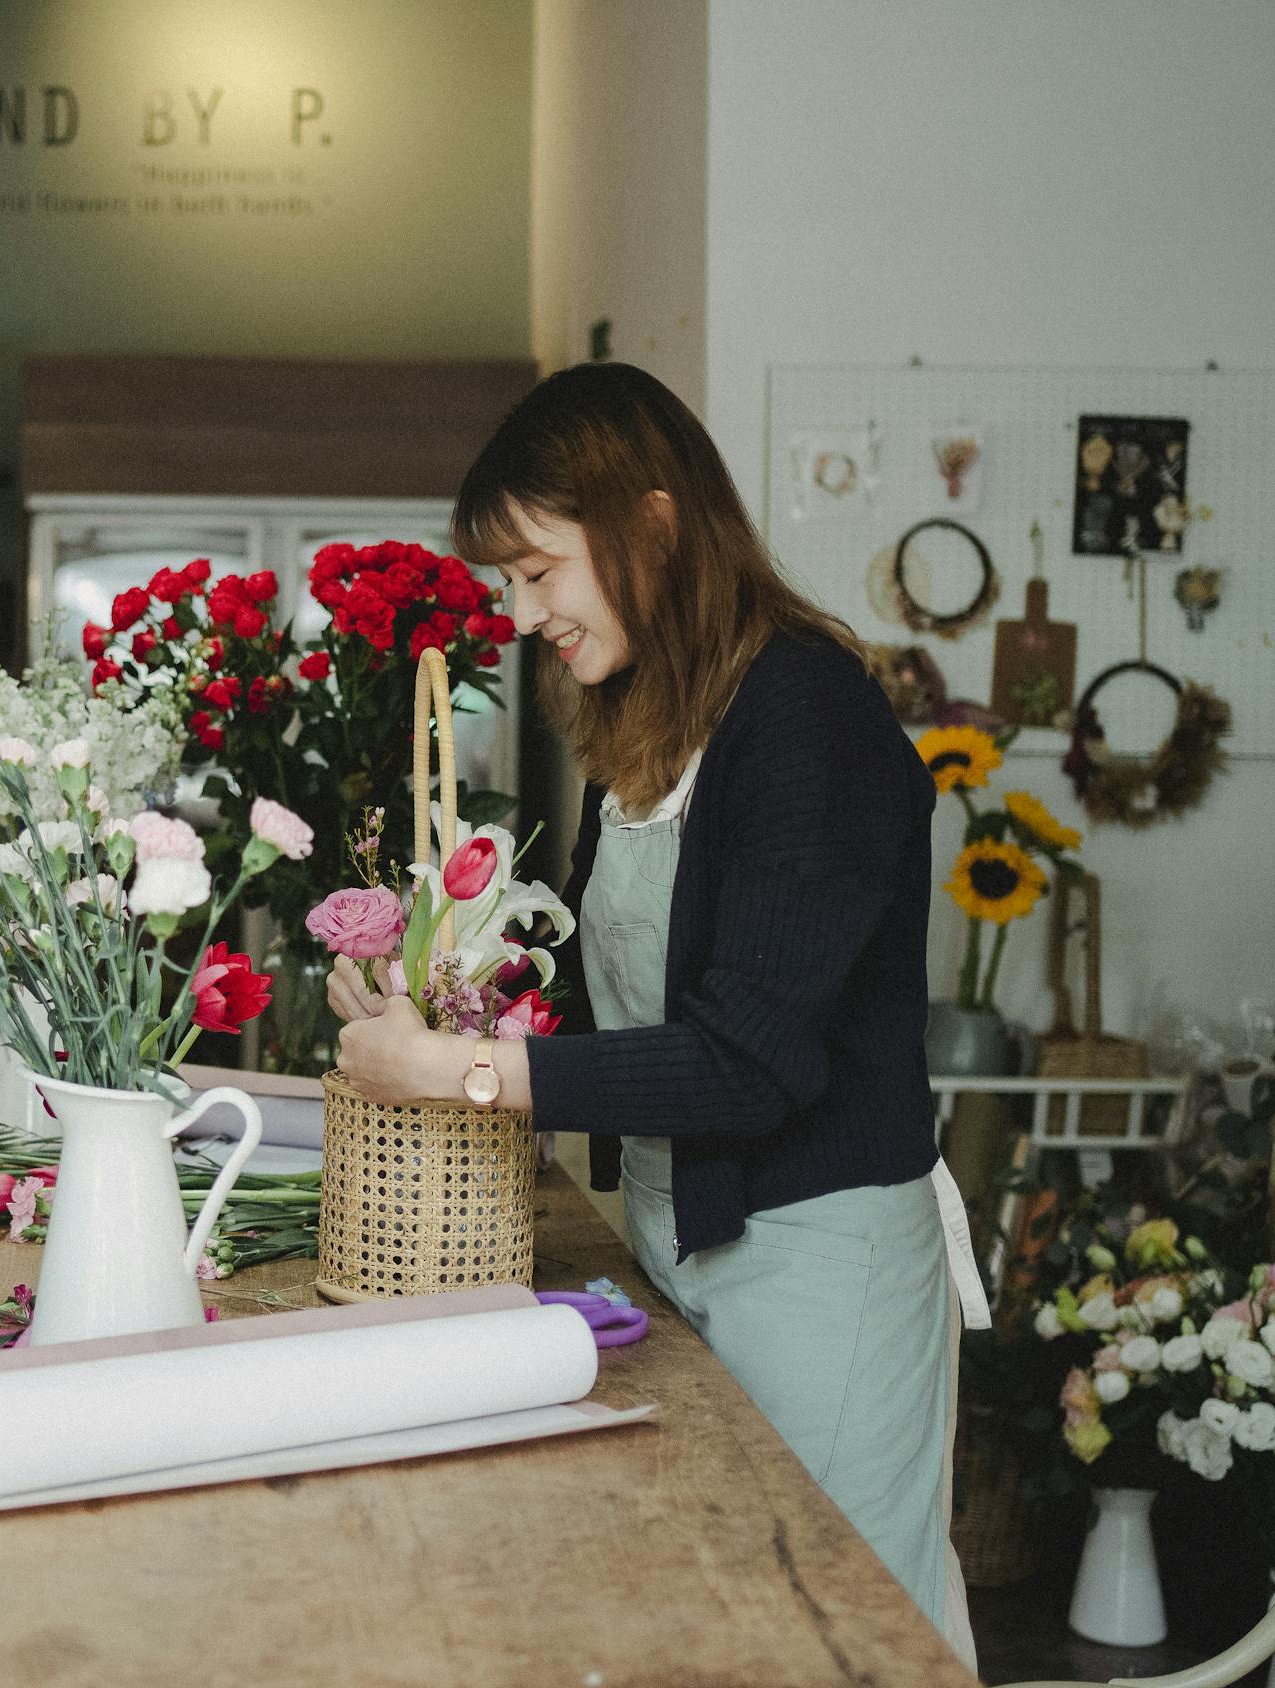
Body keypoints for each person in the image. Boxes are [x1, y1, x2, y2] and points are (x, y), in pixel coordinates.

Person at [329, 364, 987, 1653]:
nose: (521, 617)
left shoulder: (808, 716)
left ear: (650, 521)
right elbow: (593, 983)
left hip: (819, 1265)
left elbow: (747, 1062)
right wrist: (447, 1001)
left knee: (842, 1625)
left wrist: (461, 1077)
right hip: (682, 1239)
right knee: (726, 1606)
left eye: (538, 572)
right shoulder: (651, 719)